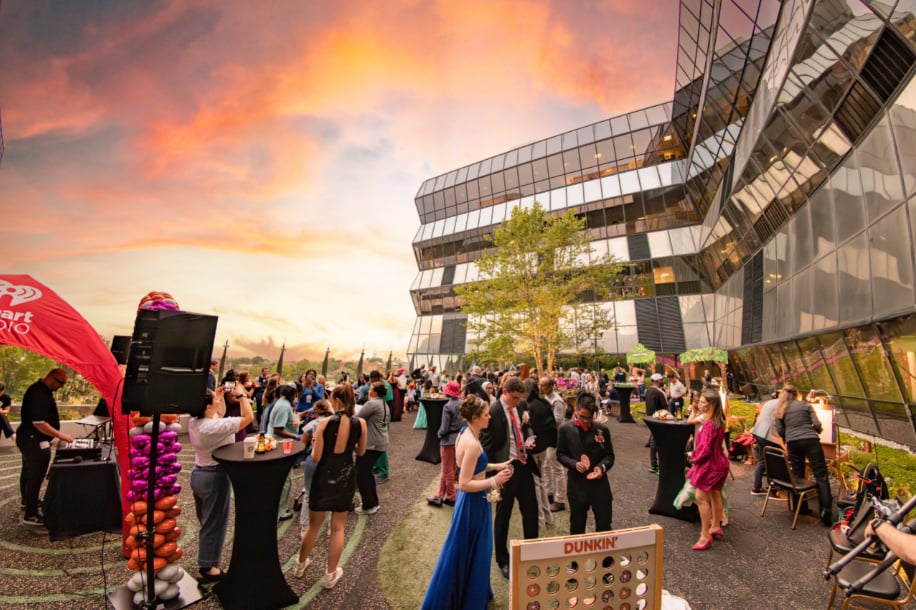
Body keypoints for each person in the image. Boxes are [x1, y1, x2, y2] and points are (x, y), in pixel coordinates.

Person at [421, 395, 513, 610]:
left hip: (473, 502)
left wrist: (496, 466)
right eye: (486, 415)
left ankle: (473, 590)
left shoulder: (467, 432)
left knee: (470, 550)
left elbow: (473, 466)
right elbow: (463, 483)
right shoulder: (471, 442)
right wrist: (494, 480)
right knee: (476, 551)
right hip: (473, 503)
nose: (490, 418)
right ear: (475, 417)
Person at [295, 383, 367, 588]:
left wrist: (317, 443)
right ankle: (331, 574)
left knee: (313, 526)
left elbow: (316, 457)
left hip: (323, 477)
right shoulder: (360, 423)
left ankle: (300, 566)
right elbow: (360, 452)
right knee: (338, 528)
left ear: (334, 400)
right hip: (345, 478)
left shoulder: (325, 423)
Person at [189, 387, 253, 582]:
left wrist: (217, 394)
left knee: (207, 522)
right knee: (214, 524)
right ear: (208, 407)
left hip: (199, 474)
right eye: (215, 400)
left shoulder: (196, 422)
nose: (218, 400)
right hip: (214, 477)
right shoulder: (212, 428)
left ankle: (207, 559)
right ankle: (207, 568)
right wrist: (242, 396)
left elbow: (220, 413)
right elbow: (248, 417)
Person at [479, 376, 539, 579]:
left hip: (523, 465)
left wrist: (529, 437)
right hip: (505, 468)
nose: (517, 402)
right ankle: (502, 560)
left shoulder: (520, 406)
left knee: (531, 510)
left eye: (520, 398)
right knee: (504, 514)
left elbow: (525, 428)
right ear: (505, 392)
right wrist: (494, 475)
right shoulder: (493, 411)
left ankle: (532, 552)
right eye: (514, 398)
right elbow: (488, 444)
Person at [17, 369, 74, 526]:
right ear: (50, 377)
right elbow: (39, 423)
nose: (61, 387)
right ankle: (31, 514)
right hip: (33, 440)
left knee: (28, 471)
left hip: (29, 437)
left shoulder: (40, 389)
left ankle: (27, 501)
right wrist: (62, 436)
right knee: (36, 475)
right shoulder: (39, 394)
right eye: (60, 383)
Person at [556, 391, 615, 534]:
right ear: (576, 410)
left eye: (589, 418)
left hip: (600, 485)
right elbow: (560, 454)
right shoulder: (565, 429)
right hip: (577, 485)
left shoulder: (602, 430)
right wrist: (574, 464)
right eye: (582, 417)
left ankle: (605, 557)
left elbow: (609, 456)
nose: (585, 421)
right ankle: (575, 558)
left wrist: (601, 468)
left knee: (604, 526)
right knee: (577, 527)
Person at [774, 383, 833, 526]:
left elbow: (780, 430)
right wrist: (815, 432)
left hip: (793, 443)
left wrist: (789, 437)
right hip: (810, 441)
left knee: (797, 474)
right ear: (796, 394)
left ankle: (800, 508)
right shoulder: (805, 405)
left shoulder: (780, 410)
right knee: (821, 475)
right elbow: (817, 424)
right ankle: (826, 511)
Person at [687, 390, 730, 550]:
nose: (699, 403)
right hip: (720, 464)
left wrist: (694, 458)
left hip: (710, 466)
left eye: (703, 401)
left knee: (701, 498)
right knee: (715, 494)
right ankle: (715, 526)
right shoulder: (717, 421)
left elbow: (704, 450)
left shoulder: (709, 424)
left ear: (711, 404)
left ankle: (705, 536)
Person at [524, 377, 558, 530]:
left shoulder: (528, 407)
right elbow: (552, 427)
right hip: (544, 448)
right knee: (542, 481)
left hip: (532, 450)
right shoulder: (545, 404)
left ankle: (540, 522)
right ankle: (548, 517)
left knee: (535, 485)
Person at [297, 398, 334, 536]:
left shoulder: (312, 425)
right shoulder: (335, 423)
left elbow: (302, 445)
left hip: (313, 460)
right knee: (330, 493)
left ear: (315, 410)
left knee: (308, 493)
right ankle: (330, 526)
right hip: (331, 460)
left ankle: (304, 528)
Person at [354, 381, 389, 515]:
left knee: (361, 474)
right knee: (367, 473)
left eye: (370, 389)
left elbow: (357, 419)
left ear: (374, 392)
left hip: (371, 444)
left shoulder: (372, 404)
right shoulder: (383, 404)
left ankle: (369, 505)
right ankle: (373, 502)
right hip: (380, 442)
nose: (369, 391)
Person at [428, 380, 463, 507]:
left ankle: (451, 496)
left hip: (447, 440)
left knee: (447, 470)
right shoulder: (462, 404)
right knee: (449, 468)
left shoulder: (447, 406)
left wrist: (439, 434)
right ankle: (439, 495)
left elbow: (444, 428)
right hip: (458, 439)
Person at [540, 377, 568, 513]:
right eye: (540, 385)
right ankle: (549, 493)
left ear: (551, 386)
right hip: (547, 438)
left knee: (557, 468)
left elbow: (558, 420)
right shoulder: (546, 398)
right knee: (546, 466)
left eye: (543, 385)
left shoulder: (557, 401)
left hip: (556, 438)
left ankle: (560, 500)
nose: (541, 388)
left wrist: (542, 421)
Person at [750, 391, 783, 495]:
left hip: (759, 431)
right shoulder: (782, 404)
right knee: (774, 460)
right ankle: (773, 490)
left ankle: (757, 487)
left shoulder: (770, 402)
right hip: (768, 434)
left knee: (763, 460)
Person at [644, 373, 668, 474]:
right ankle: (661, 466)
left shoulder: (648, 390)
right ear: (658, 381)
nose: (663, 381)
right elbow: (665, 407)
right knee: (661, 442)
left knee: (654, 441)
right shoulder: (659, 392)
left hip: (651, 419)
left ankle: (654, 465)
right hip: (660, 419)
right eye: (661, 380)